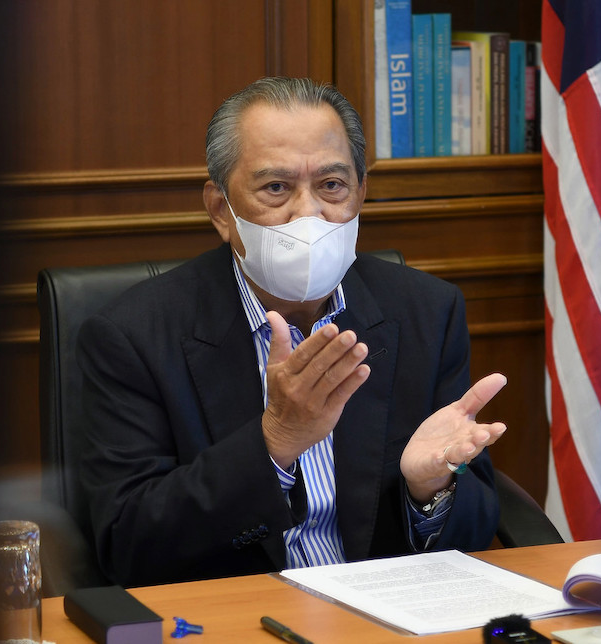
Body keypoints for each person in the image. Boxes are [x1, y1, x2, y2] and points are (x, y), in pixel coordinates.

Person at [78, 77, 508, 587]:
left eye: (331, 185)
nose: (309, 213)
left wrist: (429, 489)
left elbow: (478, 528)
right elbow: (129, 546)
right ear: (221, 210)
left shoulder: (426, 312)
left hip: (383, 615)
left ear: (360, 192)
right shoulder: (132, 336)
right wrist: (275, 442)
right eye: (276, 188)